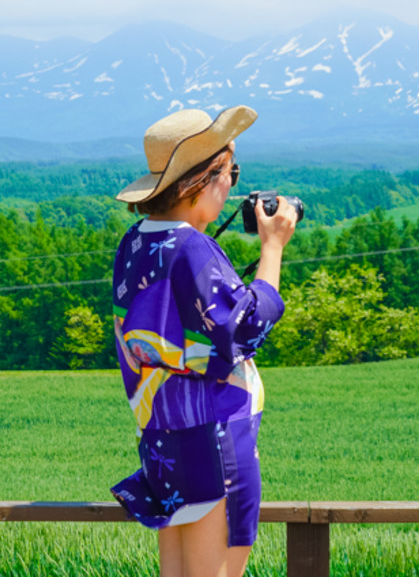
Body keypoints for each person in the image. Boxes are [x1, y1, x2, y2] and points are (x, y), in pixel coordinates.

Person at [110, 105, 296, 577]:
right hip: (216, 445)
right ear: (204, 179)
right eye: (231, 172)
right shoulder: (191, 248)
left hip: (162, 441)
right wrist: (272, 248)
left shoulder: (135, 243)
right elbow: (245, 327)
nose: (233, 185)